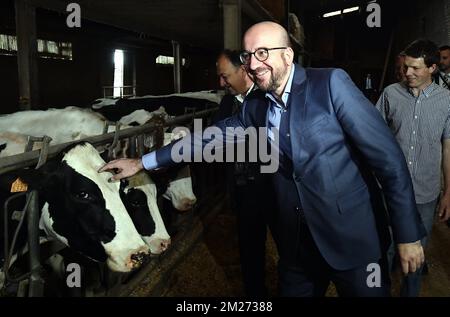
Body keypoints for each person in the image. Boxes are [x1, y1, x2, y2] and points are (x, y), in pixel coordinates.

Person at [99, 21, 426, 297]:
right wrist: (143, 162)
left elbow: (388, 160)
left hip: (353, 241)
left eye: (263, 52)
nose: (253, 63)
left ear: (288, 54)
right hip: (296, 247)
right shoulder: (254, 106)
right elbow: (209, 138)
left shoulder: (329, 84)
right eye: (248, 55)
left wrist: (408, 234)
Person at [376, 39, 450, 296]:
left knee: (416, 254)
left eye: (415, 68)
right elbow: (375, 139)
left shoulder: (447, 101)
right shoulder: (390, 94)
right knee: (383, 248)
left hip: (425, 193)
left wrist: (448, 192)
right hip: (390, 190)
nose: (408, 73)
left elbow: (448, 148)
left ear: (432, 68)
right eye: (406, 67)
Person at [213, 49, 276, 297]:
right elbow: (214, 138)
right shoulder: (227, 103)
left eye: (224, 75)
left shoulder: (268, 96)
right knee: (250, 246)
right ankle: (255, 294)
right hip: (243, 186)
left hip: (274, 185)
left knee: (289, 244)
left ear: (243, 69)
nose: (221, 82)